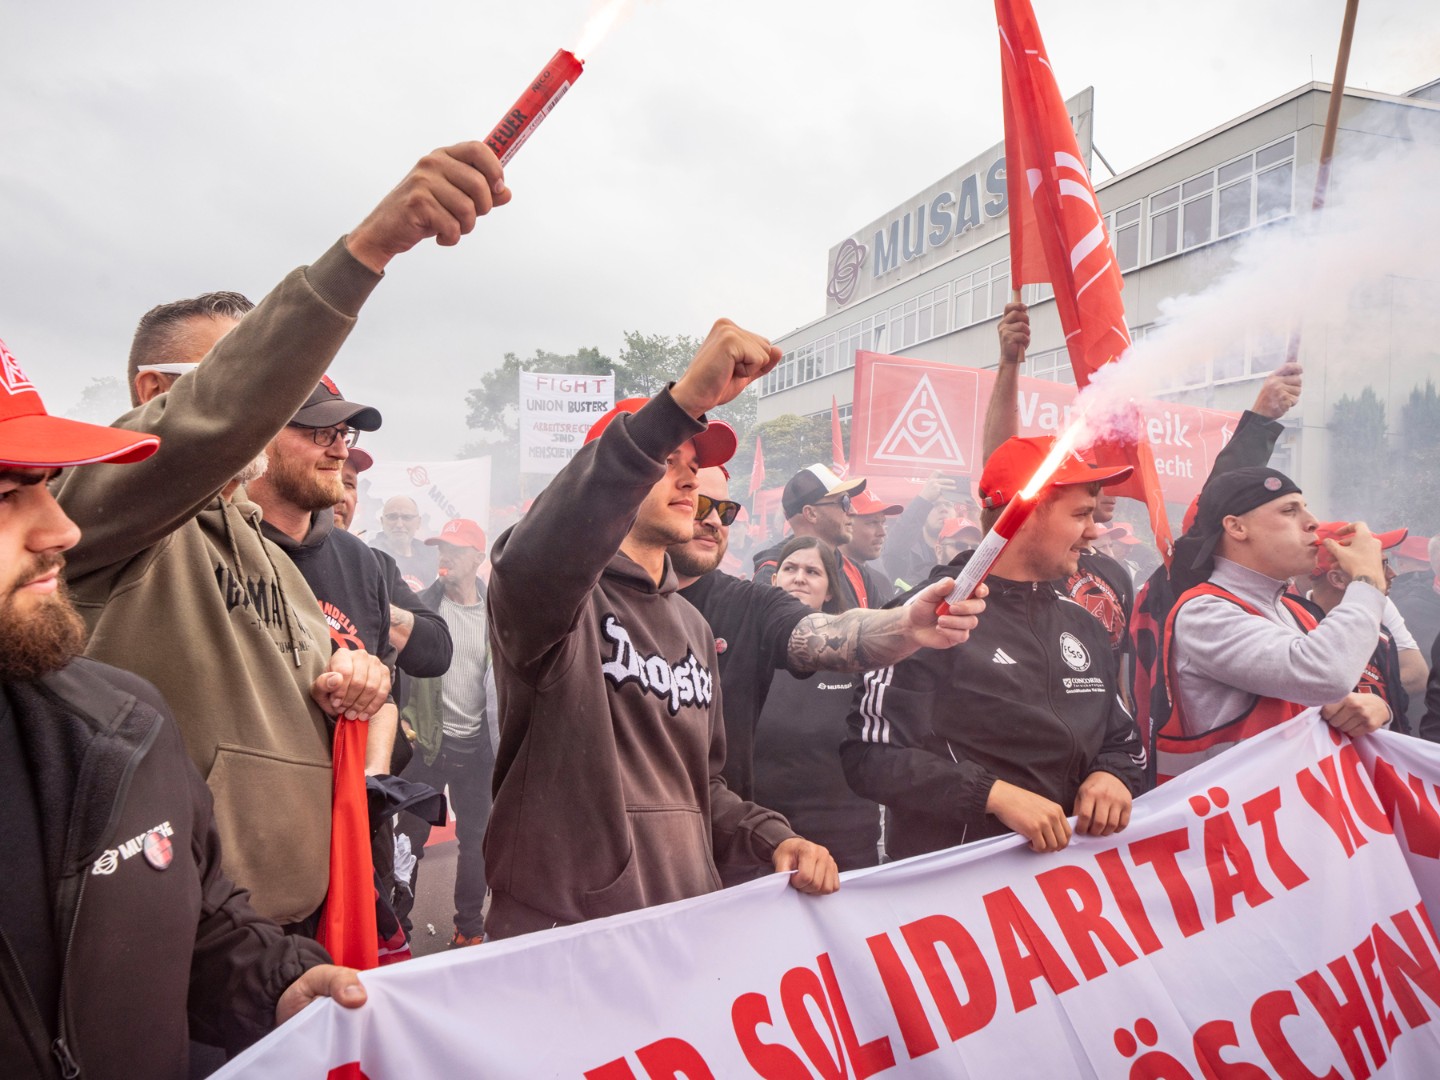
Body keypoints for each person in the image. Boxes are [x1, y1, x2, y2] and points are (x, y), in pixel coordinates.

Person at [52, 140, 510, 926]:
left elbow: (338, 689)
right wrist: (368, 251)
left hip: (278, 947)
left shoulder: (269, 548)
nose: (270, 405)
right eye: (252, 376)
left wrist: (359, 684)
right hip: (158, 937)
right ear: (154, 394)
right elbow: (211, 424)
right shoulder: (95, 508)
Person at [0, 346, 366, 1077]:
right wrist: (366, 256)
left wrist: (275, 982)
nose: (60, 530)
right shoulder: (130, 539)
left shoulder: (110, 720)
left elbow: (184, 919)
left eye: (46, 484)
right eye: (7, 494)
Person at [484, 322, 856, 939]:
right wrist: (681, 404)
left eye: (694, 463)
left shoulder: (691, 623)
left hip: (681, 925)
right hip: (569, 935)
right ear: (612, 476)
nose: (689, 479)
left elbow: (701, 789)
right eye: (665, 461)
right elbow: (537, 555)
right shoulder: (547, 600)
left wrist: (772, 838)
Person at [843, 435, 1145, 857]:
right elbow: (869, 757)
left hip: (1066, 885)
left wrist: (1111, 775)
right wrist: (994, 796)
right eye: (1081, 515)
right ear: (1023, 517)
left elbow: (1123, 741)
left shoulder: (1083, 622)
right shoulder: (930, 617)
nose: (1095, 531)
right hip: (957, 894)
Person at [672, 464, 986, 806]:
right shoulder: (606, 596)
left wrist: (907, 627)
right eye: (700, 505)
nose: (715, 520)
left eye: (726, 511)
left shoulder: (755, 600)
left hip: (747, 826)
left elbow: (824, 633)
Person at [1160, 468, 1391, 781]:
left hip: (1296, 812)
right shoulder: (1204, 613)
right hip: (1240, 817)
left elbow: (1335, 701)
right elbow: (1325, 674)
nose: (1313, 522)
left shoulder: (1299, 612)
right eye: (1289, 510)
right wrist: (1368, 580)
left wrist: (1375, 710)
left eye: (1305, 508)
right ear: (1236, 527)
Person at [753, 537, 881, 872]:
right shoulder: (745, 649)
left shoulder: (855, 658)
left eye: (812, 571)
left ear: (829, 591)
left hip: (844, 841)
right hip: (762, 838)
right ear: (773, 580)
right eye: (790, 568)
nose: (799, 577)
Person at [400, 519, 497, 948]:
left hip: (477, 748)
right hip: (426, 747)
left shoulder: (500, 612)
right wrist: (402, 717)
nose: (445, 556)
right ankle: (397, 929)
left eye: (456, 550)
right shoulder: (421, 606)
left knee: (475, 842)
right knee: (409, 840)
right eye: (441, 548)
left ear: (478, 558)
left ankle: (469, 928)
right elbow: (392, 662)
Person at [1299, 523, 1413, 728]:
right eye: (1381, 565)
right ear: (1337, 579)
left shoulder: (1381, 633)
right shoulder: (1294, 635)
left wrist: (1386, 713)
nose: (1392, 574)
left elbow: (1399, 706)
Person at [751, 464, 867, 608]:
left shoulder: (855, 572)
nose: (854, 511)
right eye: (844, 502)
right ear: (811, 514)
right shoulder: (770, 572)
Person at [880, 470, 958, 591]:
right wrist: (924, 499)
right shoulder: (906, 552)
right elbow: (895, 547)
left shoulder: (966, 547)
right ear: (923, 513)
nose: (943, 509)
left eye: (948, 504)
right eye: (935, 505)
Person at [839, 489, 902, 607]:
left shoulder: (881, 582)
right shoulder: (826, 577)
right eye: (872, 523)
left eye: (883, 523)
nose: (882, 532)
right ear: (846, 523)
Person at [371, 495, 439, 592]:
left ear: (418, 522)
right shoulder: (370, 557)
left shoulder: (434, 558)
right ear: (382, 521)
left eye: (407, 517)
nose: (399, 524)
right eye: (392, 517)